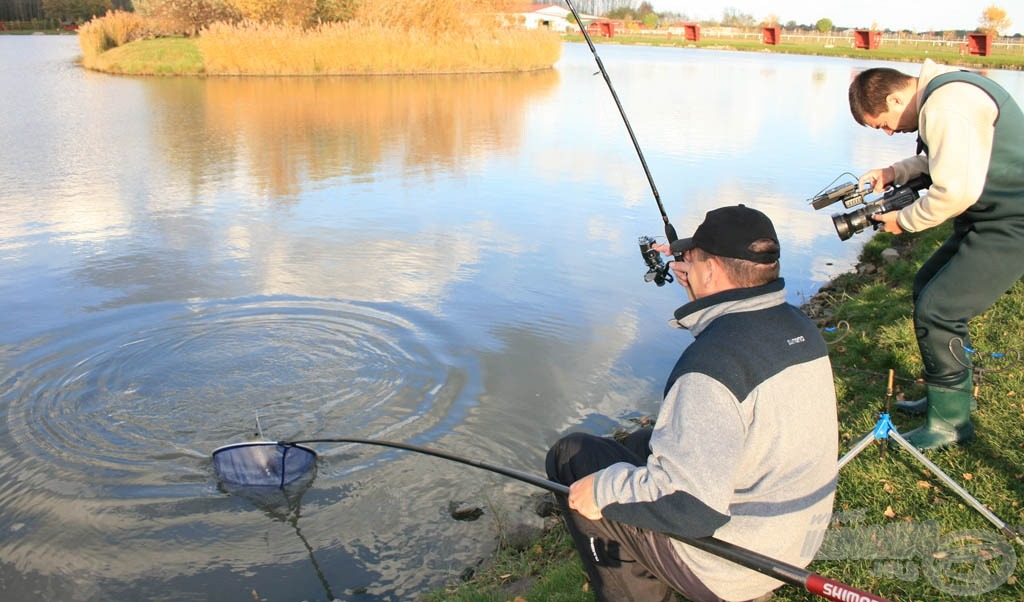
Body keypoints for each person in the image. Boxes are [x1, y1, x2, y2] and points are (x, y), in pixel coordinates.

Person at [545, 205, 838, 602]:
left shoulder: (711, 367)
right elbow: (736, 346)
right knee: (644, 442)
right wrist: (702, 290)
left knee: (572, 457)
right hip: (794, 537)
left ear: (715, 269)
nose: (684, 265)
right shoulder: (797, 326)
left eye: (692, 260)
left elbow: (691, 507)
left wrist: (602, 490)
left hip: (739, 562)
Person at [848, 59, 1024, 449]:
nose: (890, 132)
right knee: (927, 284)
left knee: (939, 309)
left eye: (884, 123)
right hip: (992, 217)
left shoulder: (945, 105)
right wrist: (894, 172)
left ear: (896, 97)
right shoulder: (945, 94)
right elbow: (951, 157)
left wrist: (904, 221)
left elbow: (956, 191)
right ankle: (948, 398)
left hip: (1013, 221)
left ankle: (950, 425)